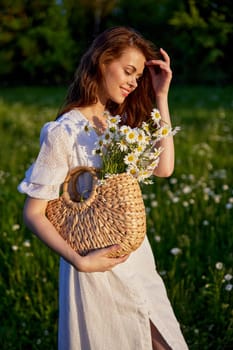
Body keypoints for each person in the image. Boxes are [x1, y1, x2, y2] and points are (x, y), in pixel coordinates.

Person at [18, 26, 188, 350]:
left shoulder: (117, 125)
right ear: (101, 62)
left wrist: (161, 95)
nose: (133, 82)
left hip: (137, 257)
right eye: (128, 71)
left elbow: (164, 168)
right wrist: (80, 262)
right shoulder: (62, 133)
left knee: (166, 341)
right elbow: (34, 212)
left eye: (138, 76)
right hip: (95, 265)